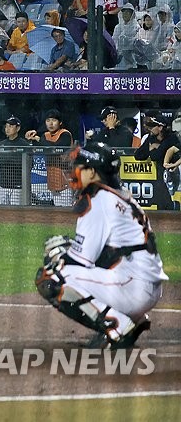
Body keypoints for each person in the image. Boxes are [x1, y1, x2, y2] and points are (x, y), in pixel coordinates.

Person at [35, 141, 167, 349]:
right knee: (65, 266)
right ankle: (133, 320)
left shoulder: (99, 201)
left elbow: (81, 260)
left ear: (93, 172)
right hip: (142, 284)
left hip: (133, 288)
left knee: (52, 276)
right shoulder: (119, 196)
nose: (75, 170)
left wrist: (61, 254)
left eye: (81, 166)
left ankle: (117, 324)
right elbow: (107, 252)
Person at [133, 113, 180, 211]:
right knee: (161, 205)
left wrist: (152, 149)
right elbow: (138, 155)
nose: (149, 129)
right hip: (159, 177)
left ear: (160, 127)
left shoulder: (171, 138)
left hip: (173, 174)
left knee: (171, 204)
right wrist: (152, 147)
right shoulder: (151, 138)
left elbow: (155, 156)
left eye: (152, 126)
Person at [0, 115, 29, 206]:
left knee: (16, 213)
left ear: (18, 128)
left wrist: (8, 160)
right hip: (2, 185)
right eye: (6, 126)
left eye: (11, 126)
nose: (7, 129)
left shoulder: (24, 144)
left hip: (17, 187)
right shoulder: (1, 144)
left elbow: (27, 165)